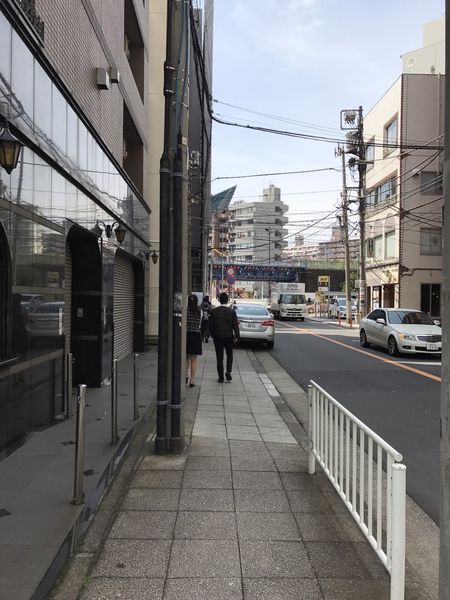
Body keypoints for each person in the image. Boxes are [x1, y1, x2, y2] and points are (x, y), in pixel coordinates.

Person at [209, 292, 240, 383]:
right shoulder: (231, 312)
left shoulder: (214, 311)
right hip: (228, 337)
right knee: (229, 354)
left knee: (219, 357)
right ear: (227, 301)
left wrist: (212, 334)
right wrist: (237, 336)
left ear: (219, 300)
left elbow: (211, 325)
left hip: (217, 337)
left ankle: (221, 377)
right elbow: (235, 325)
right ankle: (228, 371)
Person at [185, 294, 202, 387]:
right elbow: (200, 324)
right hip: (196, 335)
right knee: (194, 360)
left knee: (186, 357)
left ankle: (185, 376)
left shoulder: (185, 310)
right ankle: (192, 380)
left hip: (186, 334)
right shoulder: (199, 311)